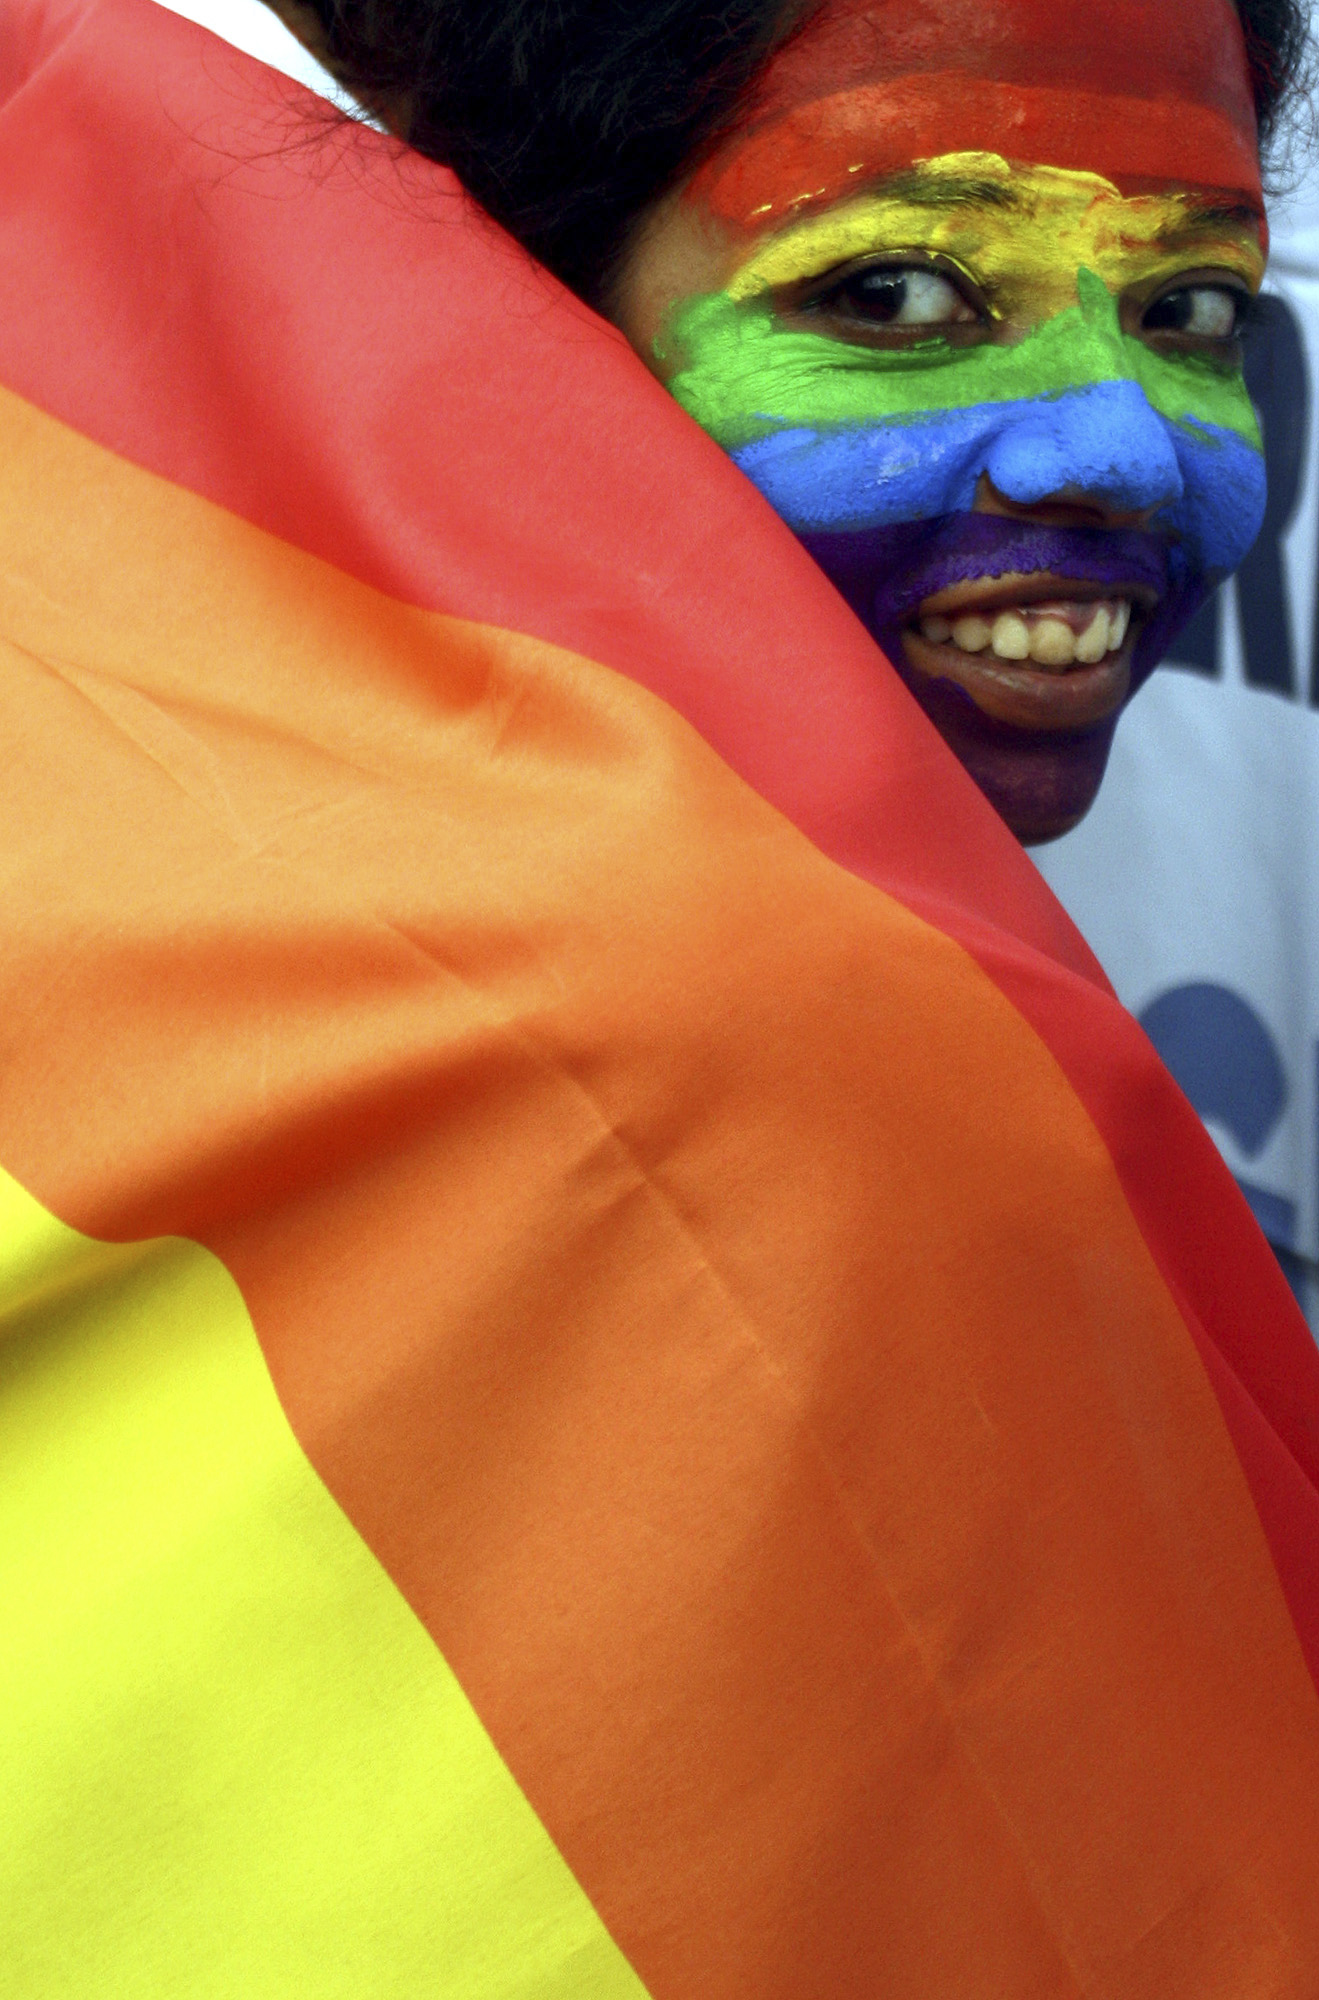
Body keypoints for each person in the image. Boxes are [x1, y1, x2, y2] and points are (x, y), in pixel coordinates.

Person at [4, 0, 1319, 1992]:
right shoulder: (757, 1025)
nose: (1123, 448)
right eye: (892, 295)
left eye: (1194, 315)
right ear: (493, 297)